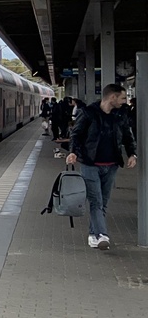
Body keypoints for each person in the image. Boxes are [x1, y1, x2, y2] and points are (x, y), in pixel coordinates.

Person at [66, 83, 137, 249]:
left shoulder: (120, 115)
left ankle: (93, 235)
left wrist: (132, 154)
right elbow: (76, 135)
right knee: (96, 201)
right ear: (112, 97)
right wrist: (73, 152)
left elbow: (127, 136)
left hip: (111, 165)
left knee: (103, 202)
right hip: (90, 164)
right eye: (122, 98)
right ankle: (101, 235)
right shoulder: (88, 113)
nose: (125, 101)